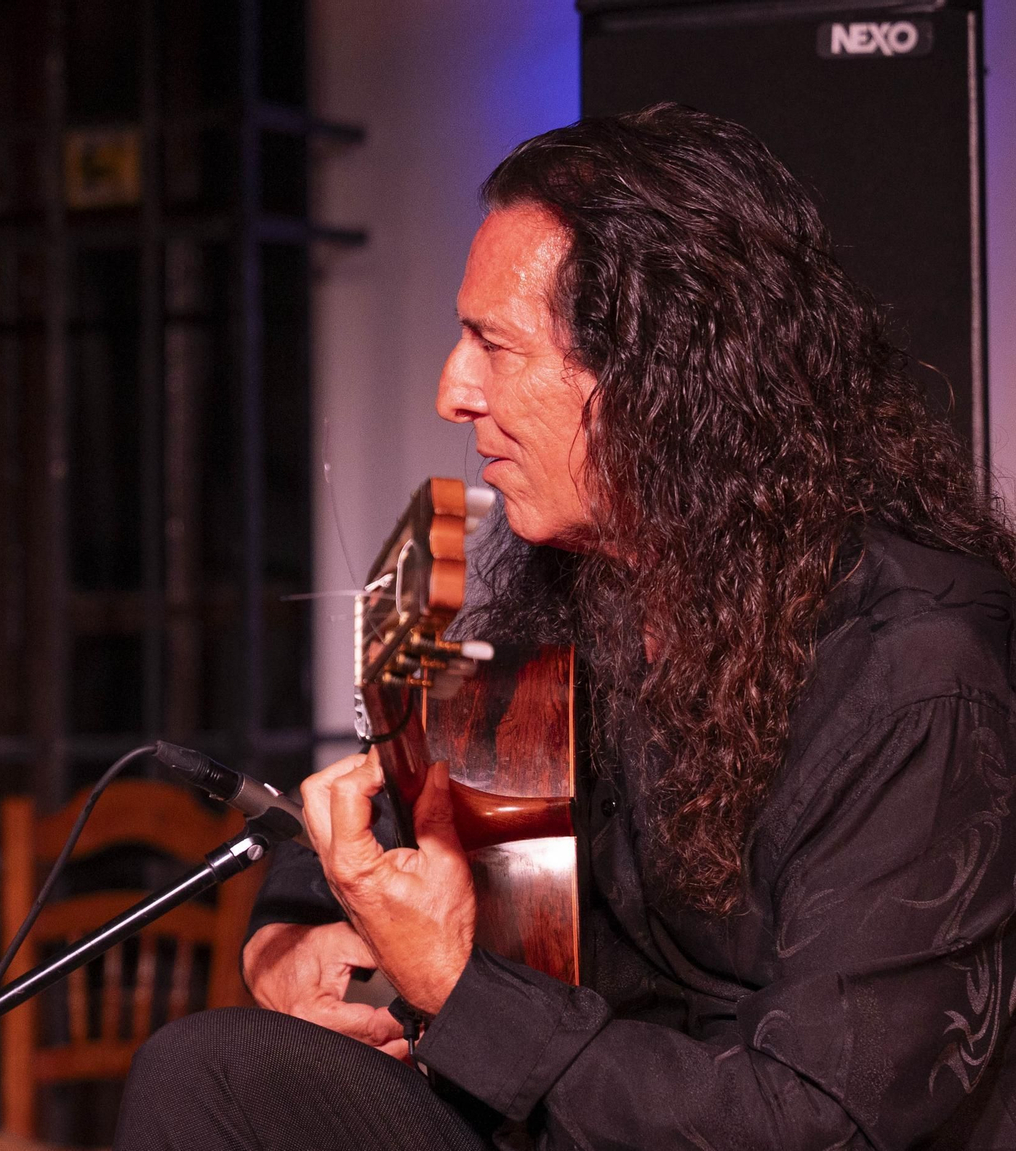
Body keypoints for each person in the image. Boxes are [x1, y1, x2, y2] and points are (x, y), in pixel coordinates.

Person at [112, 103, 1016, 1149]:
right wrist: (288, 936)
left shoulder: (919, 675)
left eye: (493, 343)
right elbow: (412, 803)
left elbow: (820, 1119)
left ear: (659, 379)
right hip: (576, 1122)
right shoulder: (583, 588)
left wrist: (457, 986)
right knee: (211, 1069)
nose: (452, 390)